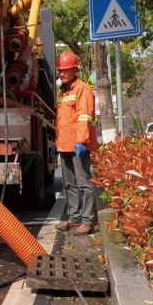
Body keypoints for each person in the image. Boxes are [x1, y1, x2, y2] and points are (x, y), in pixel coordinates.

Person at [52, 51, 98, 235]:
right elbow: (62, 120)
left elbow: (84, 117)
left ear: (75, 70)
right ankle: (74, 218)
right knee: (69, 184)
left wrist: (81, 141)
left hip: (79, 145)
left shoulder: (82, 89)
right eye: (60, 71)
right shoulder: (63, 92)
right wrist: (56, 142)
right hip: (64, 144)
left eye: (65, 70)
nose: (61, 74)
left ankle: (88, 220)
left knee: (84, 183)